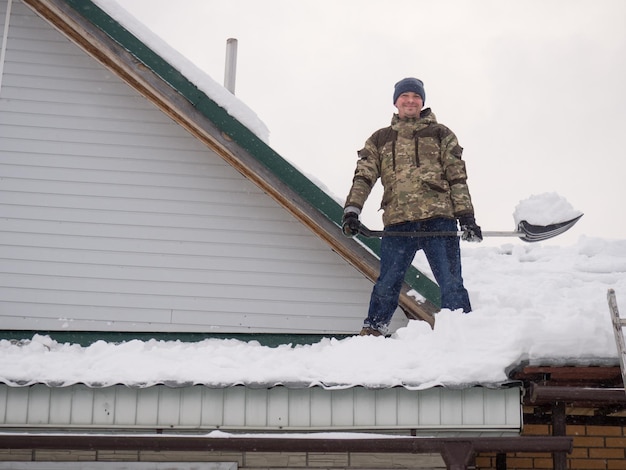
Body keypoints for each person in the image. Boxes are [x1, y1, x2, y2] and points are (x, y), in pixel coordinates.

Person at [342, 77, 482, 337]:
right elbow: (363, 176)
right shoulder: (380, 139)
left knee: (451, 283)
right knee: (388, 282)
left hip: (439, 219)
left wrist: (467, 217)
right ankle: (374, 331)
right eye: (405, 96)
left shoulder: (441, 134)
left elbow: (457, 176)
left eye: (415, 97)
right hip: (398, 222)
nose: (410, 101)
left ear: (422, 102)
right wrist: (352, 210)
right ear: (396, 102)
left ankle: (464, 332)